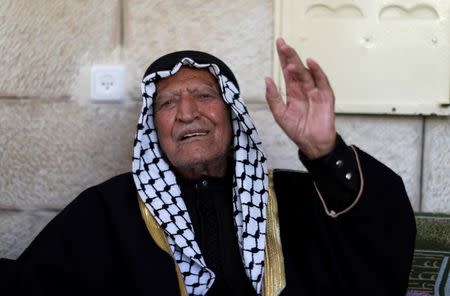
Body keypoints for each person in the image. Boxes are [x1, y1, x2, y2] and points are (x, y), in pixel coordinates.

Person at [0, 38, 416, 295]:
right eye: (167, 102)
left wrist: (327, 153)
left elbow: (383, 239)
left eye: (203, 95)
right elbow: (33, 284)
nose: (186, 112)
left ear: (230, 114)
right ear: (153, 125)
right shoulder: (108, 211)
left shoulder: (297, 199)